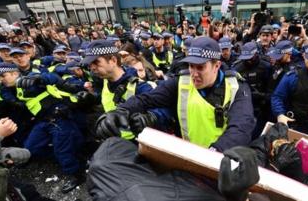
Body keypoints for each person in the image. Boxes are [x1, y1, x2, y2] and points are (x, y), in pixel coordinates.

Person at [95, 36, 255, 151]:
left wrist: (212, 155)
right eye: (191, 66)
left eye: (200, 67)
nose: (194, 73)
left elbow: (240, 129)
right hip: (188, 157)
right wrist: (121, 110)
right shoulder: (182, 81)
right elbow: (148, 99)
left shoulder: (237, 88)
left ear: (217, 65)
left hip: (220, 160)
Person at [0, 62, 84, 193]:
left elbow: (51, 77)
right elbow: (5, 93)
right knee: (30, 149)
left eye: (3, 76)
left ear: (15, 73)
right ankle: (70, 156)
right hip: (42, 122)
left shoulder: (30, 78)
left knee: (63, 151)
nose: (1, 80)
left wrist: (39, 79)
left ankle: (77, 174)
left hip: (58, 119)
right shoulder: (13, 88)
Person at [80, 40, 170, 139]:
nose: (92, 67)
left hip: (137, 143)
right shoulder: (106, 81)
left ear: (113, 60)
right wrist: (92, 96)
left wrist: (150, 118)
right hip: (116, 141)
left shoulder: (139, 85)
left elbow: (165, 110)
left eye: (96, 62)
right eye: (90, 64)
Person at [233, 41, 272, 139]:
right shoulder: (237, 68)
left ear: (256, 54)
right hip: (244, 104)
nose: (248, 61)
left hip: (263, 106)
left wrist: (262, 96)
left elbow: (272, 89)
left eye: (251, 58)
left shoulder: (266, 66)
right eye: (246, 59)